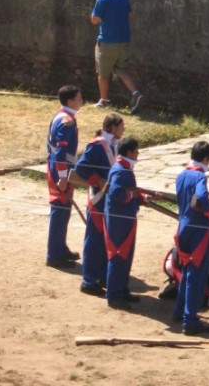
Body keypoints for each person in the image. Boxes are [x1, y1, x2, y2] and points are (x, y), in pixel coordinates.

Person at [173, 140, 209, 336]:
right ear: (206, 158)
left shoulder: (182, 174)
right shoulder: (199, 177)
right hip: (198, 230)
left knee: (187, 270)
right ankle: (190, 319)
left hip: (183, 227)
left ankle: (179, 311)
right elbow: (202, 198)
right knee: (196, 274)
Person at [73, 113, 125, 295]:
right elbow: (81, 167)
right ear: (112, 127)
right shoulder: (98, 145)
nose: (123, 130)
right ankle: (89, 281)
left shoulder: (113, 145)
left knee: (105, 240)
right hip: (98, 198)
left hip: (107, 199)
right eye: (121, 126)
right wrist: (99, 181)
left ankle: (101, 276)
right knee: (94, 241)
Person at [104, 135, 151, 307]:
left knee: (126, 255)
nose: (138, 153)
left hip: (125, 218)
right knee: (118, 256)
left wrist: (140, 197)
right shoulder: (120, 170)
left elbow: (128, 191)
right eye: (136, 150)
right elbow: (117, 193)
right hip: (119, 221)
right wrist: (134, 195)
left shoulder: (124, 167)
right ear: (129, 152)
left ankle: (122, 290)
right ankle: (114, 296)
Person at [90, 0, 142, 114]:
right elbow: (130, 16)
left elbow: (94, 19)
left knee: (103, 72)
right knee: (120, 69)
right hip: (124, 41)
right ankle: (136, 93)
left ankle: (103, 101)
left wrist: (102, 19)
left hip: (107, 41)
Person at [46, 84, 83, 267]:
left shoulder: (61, 116)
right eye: (79, 98)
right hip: (61, 170)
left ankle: (61, 248)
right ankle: (54, 254)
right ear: (70, 101)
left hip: (60, 168)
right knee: (60, 210)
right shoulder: (67, 121)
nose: (81, 101)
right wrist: (62, 176)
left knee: (65, 210)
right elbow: (60, 150)